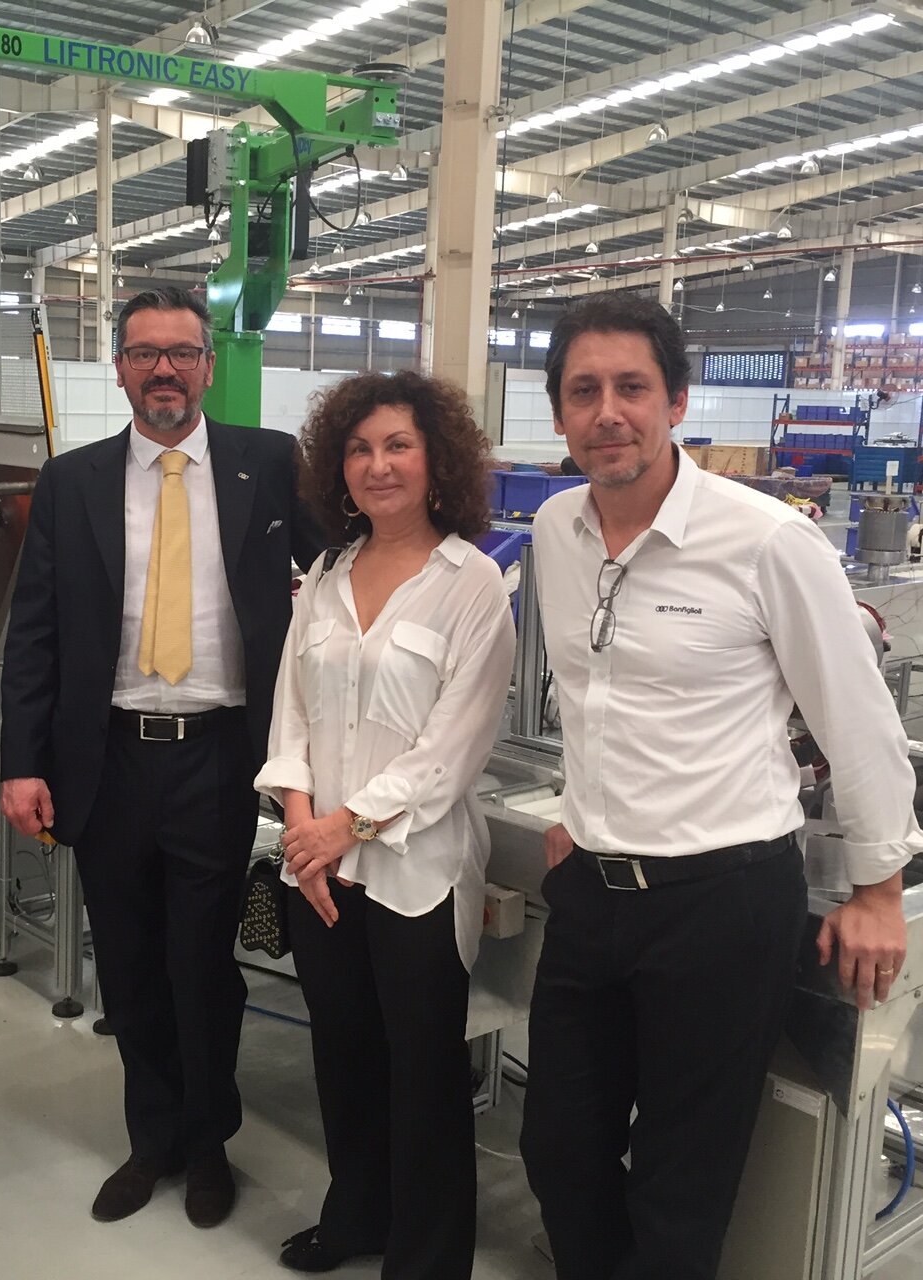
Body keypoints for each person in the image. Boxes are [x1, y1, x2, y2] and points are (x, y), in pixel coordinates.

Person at [520, 293, 922, 1280]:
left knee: (681, 1178)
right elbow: (595, 695)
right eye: (583, 391)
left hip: (720, 902)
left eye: (631, 387)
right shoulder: (555, 527)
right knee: (557, 1145)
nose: (607, 411)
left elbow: (857, 720)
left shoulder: (765, 540)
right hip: (592, 890)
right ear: (559, 413)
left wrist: (877, 888)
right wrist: (581, 806)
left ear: (676, 402)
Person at [0, 286, 323, 1229]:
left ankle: (210, 1142)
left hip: (220, 758)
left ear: (209, 367)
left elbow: (343, 571)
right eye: (145, 354)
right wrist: (23, 761)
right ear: (120, 370)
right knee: (130, 965)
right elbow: (35, 631)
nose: (164, 370)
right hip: (108, 758)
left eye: (182, 352)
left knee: (204, 967)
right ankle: (153, 1140)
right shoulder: (73, 482)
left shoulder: (270, 463)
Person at [256, 371, 516, 1277]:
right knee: (343, 1054)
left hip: (417, 873)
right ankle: (356, 1216)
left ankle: (427, 1255)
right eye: (361, 449)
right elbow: (291, 713)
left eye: (398, 445)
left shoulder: (471, 584)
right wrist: (302, 828)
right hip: (319, 870)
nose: (379, 465)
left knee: (424, 1071)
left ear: (437, 459)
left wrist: (343, 829)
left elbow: (454, 748)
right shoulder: (326, 575)